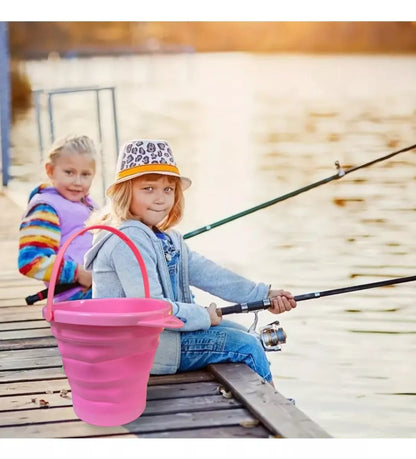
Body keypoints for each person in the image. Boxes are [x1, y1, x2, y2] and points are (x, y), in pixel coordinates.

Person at [84, 139, 296, 383]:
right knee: (246, 345)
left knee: (243, 333)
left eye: (168, 189)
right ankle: (274, 412)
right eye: (148, 189)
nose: (161, 199)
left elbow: (210, 274)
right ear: (125, 192)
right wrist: (203, 316)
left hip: (163, 341)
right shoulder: (127, 240)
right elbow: (151, 308)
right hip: (135, 351)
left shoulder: (165, 238)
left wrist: (262, 295)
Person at [18, 135, 98, 302]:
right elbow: (31, 261)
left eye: (85, 174)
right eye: (69, 172)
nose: (77, 181)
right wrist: (78, 273)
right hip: (77, 296)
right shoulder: (46, 209)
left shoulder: (89, 204)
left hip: (99, 287)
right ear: (50, 170)